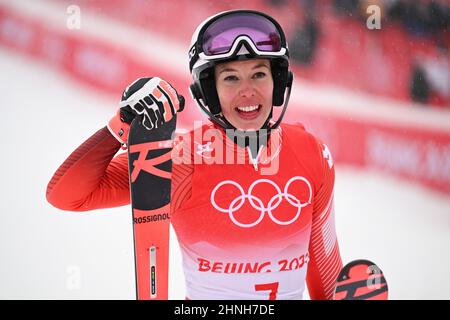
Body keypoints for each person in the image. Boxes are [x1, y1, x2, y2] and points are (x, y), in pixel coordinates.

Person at [47, 9, 342, 300]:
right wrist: (121, 125)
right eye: (230, 79)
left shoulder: (311, 153)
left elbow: (327, 280)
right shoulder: (179, 160)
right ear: (207, 91)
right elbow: (67, 195)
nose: (248, 91)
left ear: (277, 82)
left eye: (259, 74)